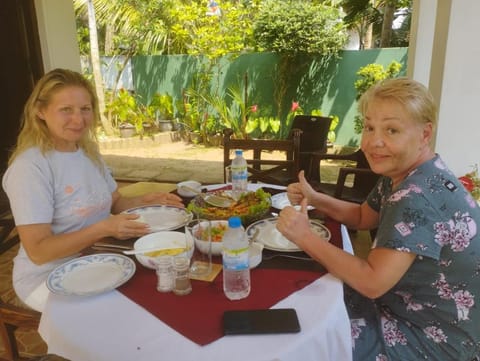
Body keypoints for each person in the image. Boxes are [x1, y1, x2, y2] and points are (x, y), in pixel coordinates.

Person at [277, 78, 480, 360]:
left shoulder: (417, 197)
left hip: (434, 340)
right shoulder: (405, 174)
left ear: (425, 134)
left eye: (392, 130)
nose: (374, 142)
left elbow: (372, 282)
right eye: (369, 127)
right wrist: (316, 197)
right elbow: (362, 216)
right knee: (308, 292)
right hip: (405, 307)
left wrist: (305, 236)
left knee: (308, 337)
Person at [2, 68, 184, 312]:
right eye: (66, 109)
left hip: (98, 257)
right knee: (127, 310)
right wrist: (102, 229)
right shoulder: (31, 167)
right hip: (47, 277)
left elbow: (114, 203)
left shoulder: (87, 152)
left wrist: (143, 200)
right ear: (40, 111)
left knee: (160, 284)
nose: (78, 120)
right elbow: (38, 252)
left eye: (85, 109)